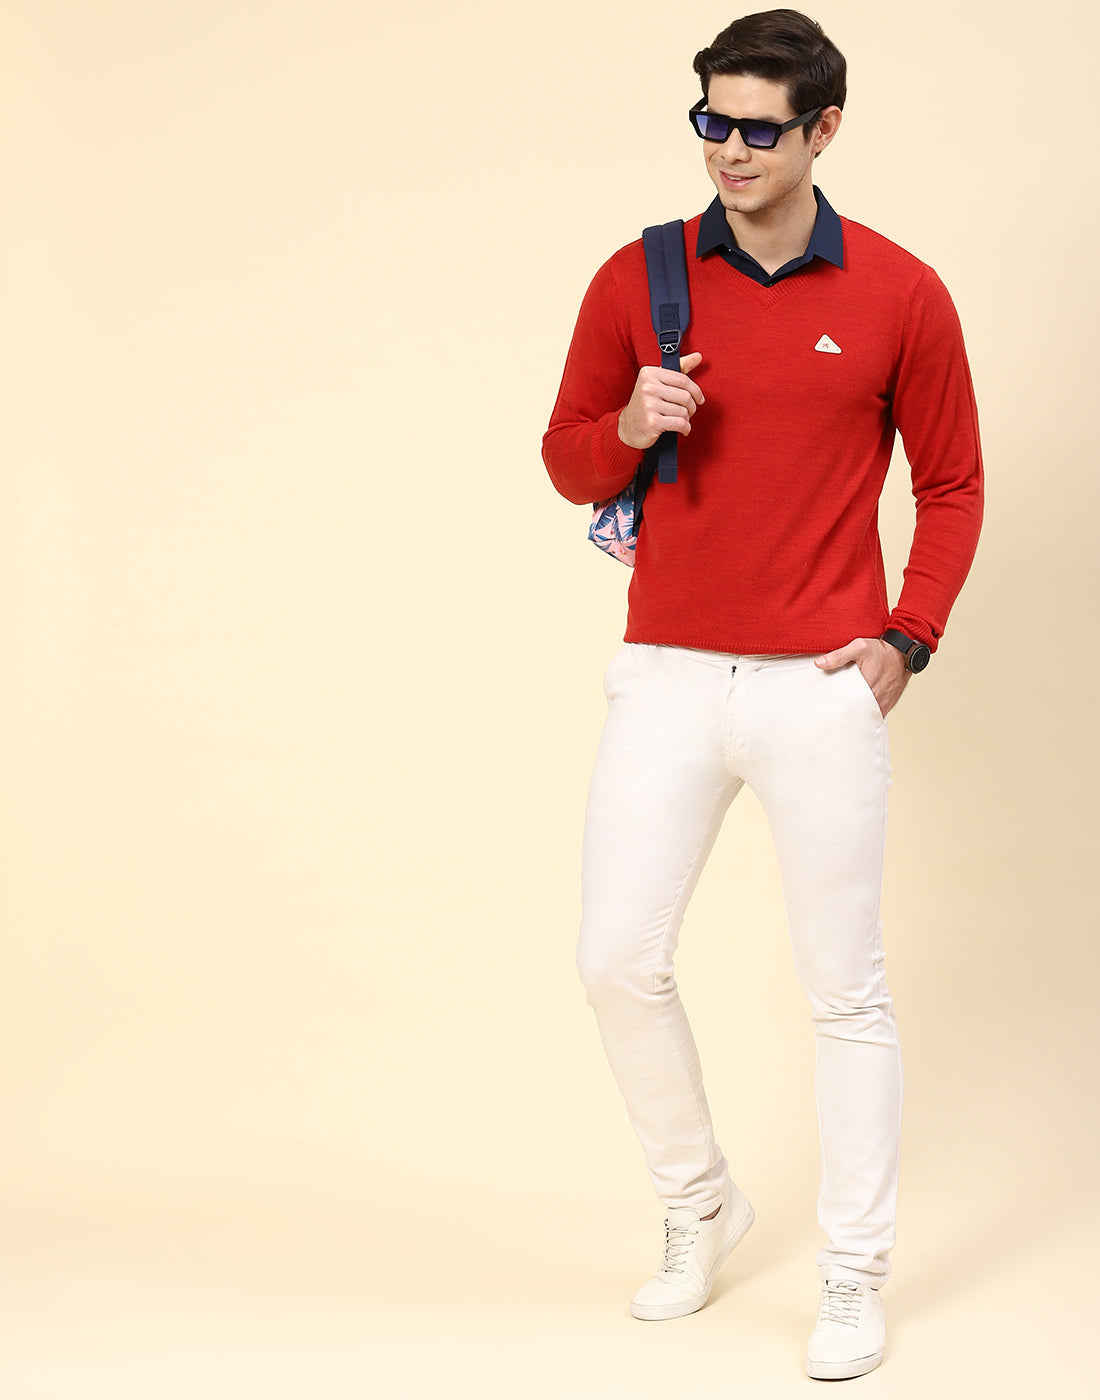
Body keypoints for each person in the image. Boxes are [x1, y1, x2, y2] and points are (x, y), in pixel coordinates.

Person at [541, 8, 983, 1382]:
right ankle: (701, 1202)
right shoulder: (640, 277)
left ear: (823, 131)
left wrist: (908, 638)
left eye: (757, 128)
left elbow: (953, 484)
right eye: (709, 123)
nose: (729, 151)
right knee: (615, 959)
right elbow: (567, 459)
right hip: (668, 673)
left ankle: (854, 1273)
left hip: (820, 689)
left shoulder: (902, 292)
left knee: (844, 992)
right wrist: (631, 426)